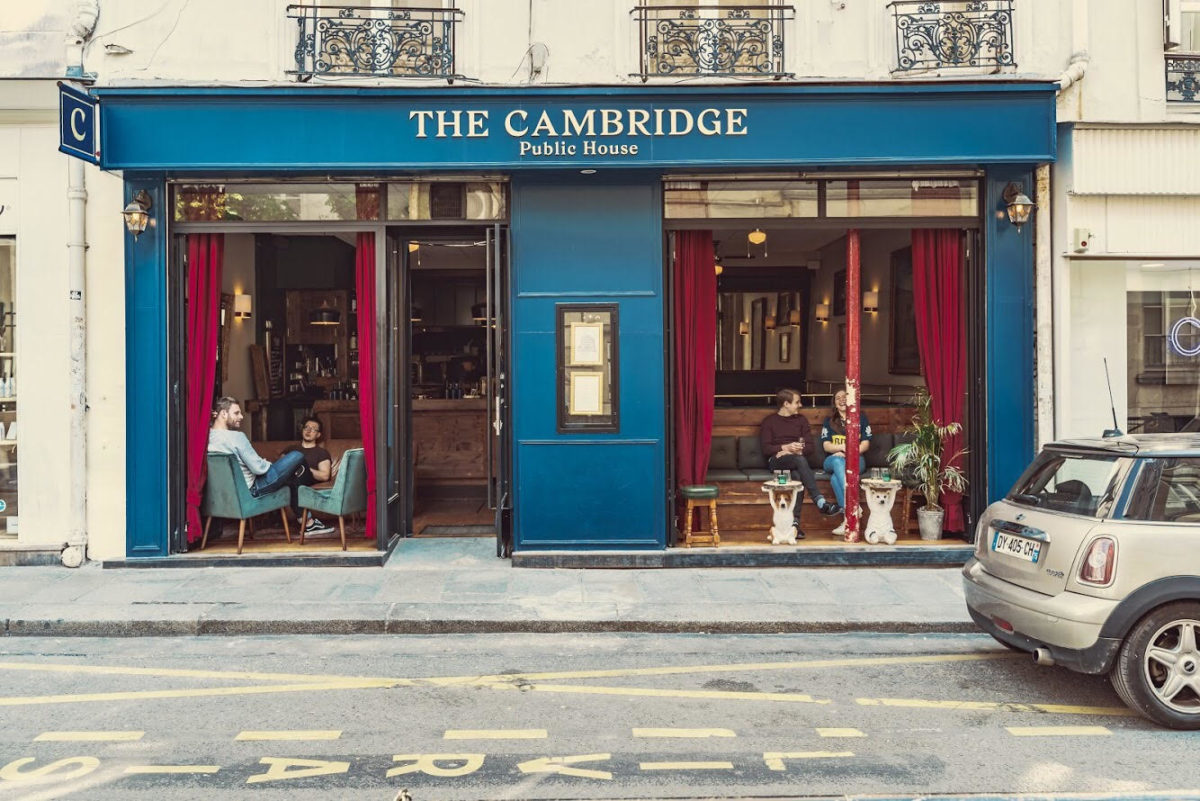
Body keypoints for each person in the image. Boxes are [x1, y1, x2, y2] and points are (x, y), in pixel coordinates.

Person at [760, 388, 841, 539]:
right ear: (786, 404)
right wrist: (785, 448)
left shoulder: (801, 420)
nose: (800, 405)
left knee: (797, 474)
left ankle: (794, 525)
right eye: (797, 402)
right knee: (799, 461)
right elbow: (766, 449)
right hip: (776, 461)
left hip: (797, 460)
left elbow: (810, 447)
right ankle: (820, 501)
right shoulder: (769, 422)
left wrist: (796, 450)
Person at [208, 396, 306, 500]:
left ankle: (304, 515)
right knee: (297, 455)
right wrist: (268, 463)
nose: (241, 417)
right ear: (223, 413)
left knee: (290, 477)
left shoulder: (205, 437)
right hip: (249, 490)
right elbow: (258, 469)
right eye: (236, 413)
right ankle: (304, 514)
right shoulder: (237, 437)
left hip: (220, 493)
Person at [820, 389, 872, 536]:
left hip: (856, 460)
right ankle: (853, 503)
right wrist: (842, 448)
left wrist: (851, 453)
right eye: (838, 397)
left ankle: (847, 519)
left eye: (845, 396)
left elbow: (866, 444)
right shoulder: (828, 421)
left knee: (835, 478)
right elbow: (826, 445)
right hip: (833, 459)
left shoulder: (860, 418)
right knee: (837, 461)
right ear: (834, 403)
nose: (842, 399)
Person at [282, 416, 335, 536]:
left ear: (318, 435)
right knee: (291, 472)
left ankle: (299, 467)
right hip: (287, 477)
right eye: (306, 427)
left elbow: (325, 475)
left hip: (305, 478)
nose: (308, 430)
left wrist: (305, 467)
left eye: (313, 429)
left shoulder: (321, 453)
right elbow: (279, 468)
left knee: (298, 464)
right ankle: (310, 523)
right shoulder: (291, 449)